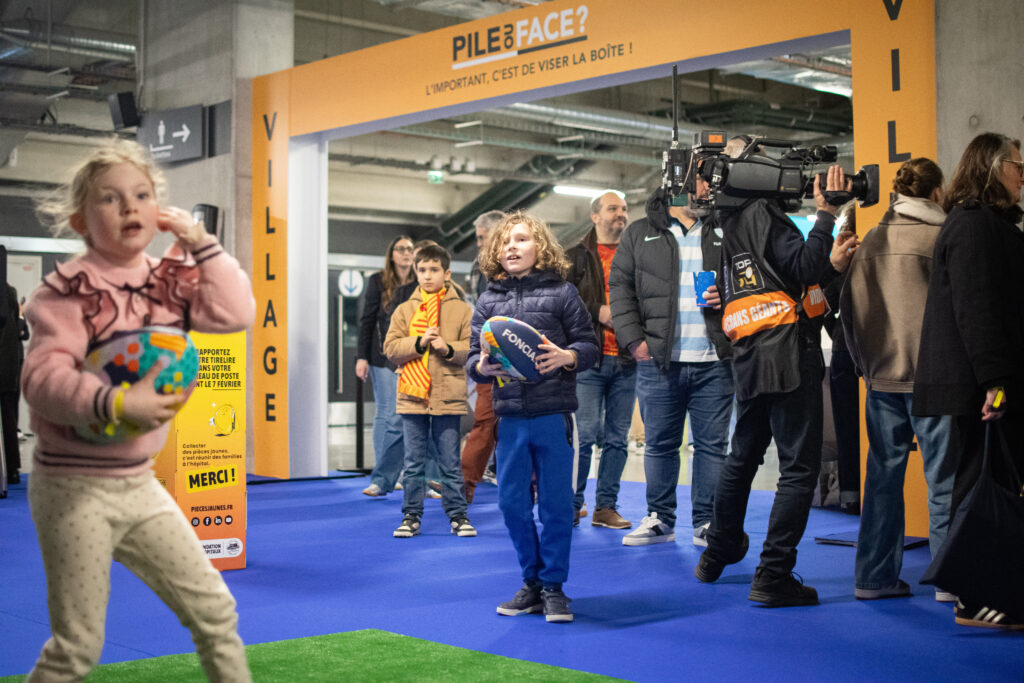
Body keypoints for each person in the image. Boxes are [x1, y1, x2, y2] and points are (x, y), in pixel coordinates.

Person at [22, 138, 254, 680]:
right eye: (110, 199)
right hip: (73, 488)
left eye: (142, 194)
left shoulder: (167, 279)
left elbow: (236, 312)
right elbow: (42, 379)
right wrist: (118, 401)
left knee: (217, 612)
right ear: (80, 220)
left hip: (141, 484)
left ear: (159, 209)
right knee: (77, 646)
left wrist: (202, 245)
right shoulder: (65, 292)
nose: (129, 207)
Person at [695, 164, 859, 607]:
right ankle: (773, 574)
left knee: (741, 458)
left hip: (750, 356)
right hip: (788, 357)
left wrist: (831, 267)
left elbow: (784, 285)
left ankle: (718, 550)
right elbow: (803, 266)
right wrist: (825, 214)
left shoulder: (727, 224)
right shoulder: (765, 212)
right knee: (798, 471)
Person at [913, 133, 1024, 629]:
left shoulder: (984, 225)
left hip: (983, 384)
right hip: (979, 387)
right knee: (978, 493)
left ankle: (983, 592)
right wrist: (995, 383)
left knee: (986, 489)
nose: (1023, 176)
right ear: (993, 168)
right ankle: (974, 598)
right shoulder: (975, 227)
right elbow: (977, 311)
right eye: (1017, 166)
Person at [467, 211, 598, 623]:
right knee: (511, 505)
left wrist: (568, 356)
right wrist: (480, 369)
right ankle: (532, 583)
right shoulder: (487, 300)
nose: (511, 247)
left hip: (554, 415)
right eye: (505, 241)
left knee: (558, 507)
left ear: (540, 247)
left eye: (521, 239)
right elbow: (473, 356)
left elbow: (590, 347)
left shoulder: (563, 293)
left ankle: (554, 587)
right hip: (510, 418)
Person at [839, 158, 955, 602]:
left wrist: (865, 366)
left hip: (882, 379)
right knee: (943, 481)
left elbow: (849, 314)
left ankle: (873, 578)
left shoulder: (870, 242)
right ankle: (949, 580)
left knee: (882, 481)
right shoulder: (941, 238)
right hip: (935, 380)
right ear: (937, 192)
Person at [609, 180, 733, 548]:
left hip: (715, 359)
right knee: (660, 445)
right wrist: (634, 340)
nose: (708, 192)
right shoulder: (640, 233)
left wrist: (726, 294)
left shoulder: (727, 227)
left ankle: (707, 523)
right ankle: (660, 519)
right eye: (701, 185)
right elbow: (620, 288)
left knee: (712, 447)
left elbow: (750, 279)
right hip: (660, 360)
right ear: (678, 187)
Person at [384, 243, 476, 538]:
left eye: (434, 270)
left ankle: (458, 515)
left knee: (450, 461)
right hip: (412, 397)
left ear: (446, 274)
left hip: (448, 396)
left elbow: (472, 349)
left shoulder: (462, 310)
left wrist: (446, 347)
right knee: (413, 462)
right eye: (422, 270)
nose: (427, 276)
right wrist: (420, 342)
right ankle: (411, 515)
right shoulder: (404, 310)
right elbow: (390, 348)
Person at [566, 191, 635, 529]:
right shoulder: (574, 258)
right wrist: (598, 311)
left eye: (623, 209)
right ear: (595, 216)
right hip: (588, 360)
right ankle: (572, 504)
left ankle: (605, 507)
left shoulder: (636, 254)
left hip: (627, 360)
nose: (620, 214)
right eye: (612, 209)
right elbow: (562, 303)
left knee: (617, 439)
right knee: (585, 435)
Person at [357, 235, 415, 497]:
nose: (406, 253)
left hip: (411, 355)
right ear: (392, 255)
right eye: (400, 249)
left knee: (401, 415)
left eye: (410, 249)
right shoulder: (378, 281)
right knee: (388, 412)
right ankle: (383, 475)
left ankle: (395, 473)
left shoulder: (418, 282)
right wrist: (361, 357)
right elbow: (367, 320)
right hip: (381, 356)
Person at [461, 210, 506, 503]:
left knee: (527, 424)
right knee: (485, 422)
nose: (479, 244)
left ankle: (537, 488)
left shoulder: (530, 267)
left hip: (522, 354)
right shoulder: (478, 269)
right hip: (488, 354)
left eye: (481, 237)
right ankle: (463, 486)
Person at [1, 284, 24, 484]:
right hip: (8, 363)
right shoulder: (9, 292)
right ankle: (13, 469)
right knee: (9, 419)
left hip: (6, 362)